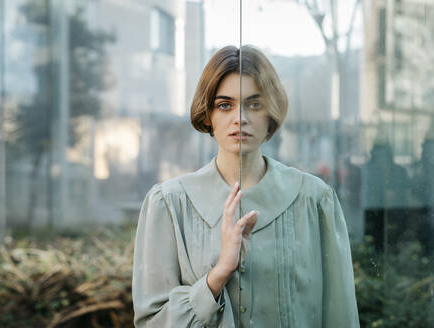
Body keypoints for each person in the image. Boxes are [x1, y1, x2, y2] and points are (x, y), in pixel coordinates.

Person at [132, 45, 359, 327]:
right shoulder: (168, 204)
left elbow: (340, 317)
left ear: (271, 114)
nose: (241, 118)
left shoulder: (314, 200)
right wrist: (219, 274)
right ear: (208, 115)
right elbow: (152, 323)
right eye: (224, 105)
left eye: (255, 104)